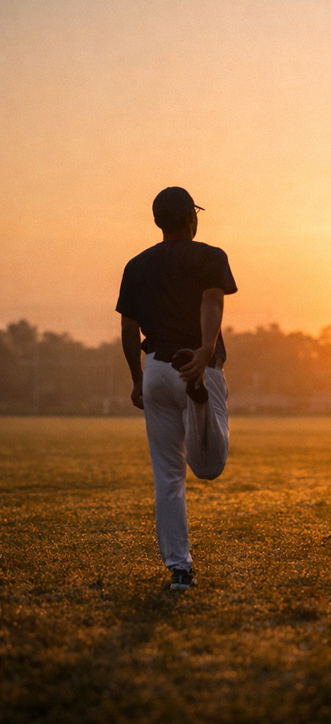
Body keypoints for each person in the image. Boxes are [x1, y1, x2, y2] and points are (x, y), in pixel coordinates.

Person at [116, 187, 237, 591]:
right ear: (191, 220)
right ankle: (199, 399)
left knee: (168, 477)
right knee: (209, 467)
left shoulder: (136, 266)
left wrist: (137, 378)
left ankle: (178, 568)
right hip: (195, 367)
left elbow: (129, 326)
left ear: (157, 222)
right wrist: (204, 351)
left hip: (156, 371)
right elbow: (212, 301)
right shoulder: (209, 256)